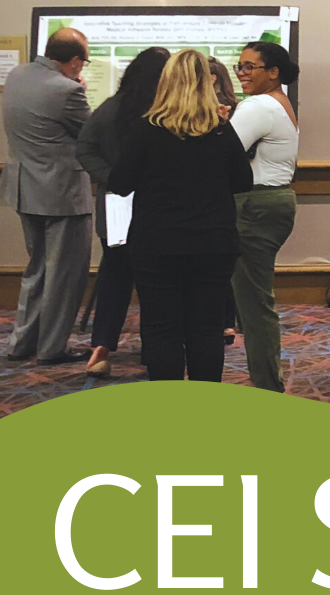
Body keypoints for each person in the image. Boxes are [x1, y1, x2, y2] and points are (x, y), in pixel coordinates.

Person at [108, 49, 253, 382]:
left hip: (157, 243)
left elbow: (119, 183)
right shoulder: (220, 130)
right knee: (207, 328)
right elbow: (243, 181)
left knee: (161, 329)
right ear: (208, 84)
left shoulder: (145, 130)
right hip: (213, 242)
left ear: (165, 83)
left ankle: (170, 405)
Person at [0, 27, 95, 366]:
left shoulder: (17, 75)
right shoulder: (68, 90)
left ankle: (22, 342)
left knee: (37, 268)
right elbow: (91, 135)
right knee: (64, 275)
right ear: (74, 61)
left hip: (25, 189)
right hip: (62, 194)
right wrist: (80, 89)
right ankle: (52, 347)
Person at [76, 46, 170, 377]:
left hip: (116, 203)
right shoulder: (166, 112)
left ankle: (101, 348)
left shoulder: (111, 108)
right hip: (159, 205)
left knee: (115, 274)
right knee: (157, 279)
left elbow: (84, 149)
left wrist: (113, 178)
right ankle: (156, 350)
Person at [230, 42, 300, 392]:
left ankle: (268, 386)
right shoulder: (278, 102)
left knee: (255, 304)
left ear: (273, 72)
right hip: (272, 202)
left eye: (249, 67)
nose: (241, 74)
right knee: (253, 301)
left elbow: (223, 153)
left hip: (255, 205)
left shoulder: (258, 105)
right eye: (239, 66)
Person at [208, 56, 242, 345]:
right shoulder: (237, 106)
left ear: (211, 79)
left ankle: (223, 322)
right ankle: (227, 323)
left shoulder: (219, 111)